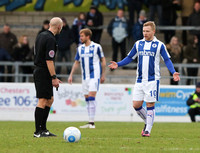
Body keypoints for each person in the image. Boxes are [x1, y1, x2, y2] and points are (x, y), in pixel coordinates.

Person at [109, 21, 180, 137]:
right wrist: (118, 64)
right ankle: (148, 122)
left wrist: (173, 72)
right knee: (136, 105)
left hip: (152, 80)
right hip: (140, 80)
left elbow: (167, 59)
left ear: (153, 31)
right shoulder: (138, 44)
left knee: (150, 104)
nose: (145, 33)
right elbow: (129, 57)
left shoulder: (159, 45)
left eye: (147, 31)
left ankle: (148, 130)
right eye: (143, 31)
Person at [68, 28, 106, 129]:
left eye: (82, 36)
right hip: (85, 77)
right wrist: (71, 74)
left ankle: (92, 122)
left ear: (88, 36)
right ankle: (90, 121)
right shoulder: (80, 48)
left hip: (95, 76)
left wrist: (103, 74)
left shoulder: (97, 47)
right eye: (80, 36)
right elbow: (76, 62)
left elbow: (103, 60)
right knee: (87, 99)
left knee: (91, 97)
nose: (80, 38)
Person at [33, 17, 63, 138]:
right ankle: (37, 132)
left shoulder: (41, 35)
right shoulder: (51, 39)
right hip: (43, 71)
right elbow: (49, 60)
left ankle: (44, 129)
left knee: (50, 99)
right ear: (59, 27)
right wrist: (54, 77)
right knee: (42, 100)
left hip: (40, 70)